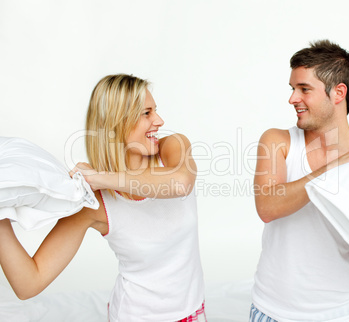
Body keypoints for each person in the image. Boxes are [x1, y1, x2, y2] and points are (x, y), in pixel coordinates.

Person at [0, 74, 206, 322]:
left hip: (194, 313)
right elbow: (29, 284)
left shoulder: (173, 148)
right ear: (118, 123)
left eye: (156, 111)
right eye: (147, 113)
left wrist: (101, 178)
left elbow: (181, 183)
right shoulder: (94, 204)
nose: (159, 121)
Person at [250, 40, 349, 322]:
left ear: (338, 93)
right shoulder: (279, 141)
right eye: (292, 89)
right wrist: (337, 166)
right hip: (272, 312)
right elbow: (268, 206)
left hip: (339, 315)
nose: (292, 99)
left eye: (304, 89)